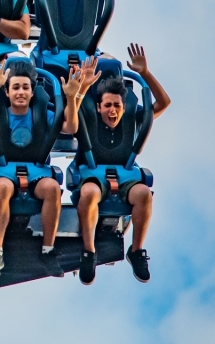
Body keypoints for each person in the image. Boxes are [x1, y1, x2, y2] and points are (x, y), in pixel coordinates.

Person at [0, 57, 99, 278]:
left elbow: (70, 127)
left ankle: (48, 249)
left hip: (36, 169)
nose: (20, 92)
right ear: (7, 92)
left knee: (52, 188)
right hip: (3, 169)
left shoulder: (42, 112)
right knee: (3, 188)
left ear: (33, 92)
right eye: (15, 88)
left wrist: (71, 97)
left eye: (25, 88)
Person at [76, 44, 171, 285]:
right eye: (107, 106)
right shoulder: (87, 114)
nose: (112, 111)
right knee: (88, 193)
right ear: (99, 106)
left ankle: (136, 250)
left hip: (125, 174)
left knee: (143, 194)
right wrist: (82, 87)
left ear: (124, 106)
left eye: (117, 106)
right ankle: (88, 251)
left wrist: (145, 74)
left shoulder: (132, 116)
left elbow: (164, 103)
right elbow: (70, 115)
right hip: (92, 174)